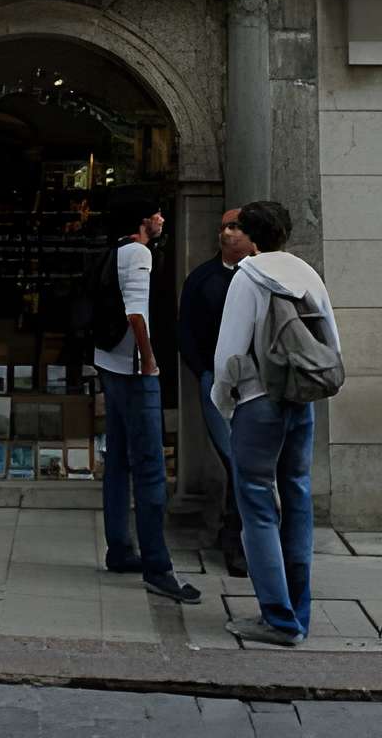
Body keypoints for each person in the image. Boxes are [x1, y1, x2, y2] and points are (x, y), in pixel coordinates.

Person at [212, 198, 341, 647]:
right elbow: (331, 341)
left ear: (249, 235)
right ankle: (299, 611)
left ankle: (277, 617)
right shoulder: (307, 274)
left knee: (257, 505)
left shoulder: (248, 277)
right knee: (298, 495)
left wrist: (223, 401)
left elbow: (230, 352)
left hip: (257, 400)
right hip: (299, 400)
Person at [94, 188, 200, 605]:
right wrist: (150, 361)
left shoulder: (113, 251)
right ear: (142, 221)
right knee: (152, 468)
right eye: (155, 213)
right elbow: (136, 313)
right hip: (136, 372)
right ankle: (159, 567)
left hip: (109, 364)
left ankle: (120, 547)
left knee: (118, 461)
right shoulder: (139, 254)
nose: (160, 219)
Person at [178, 206, 254, 576]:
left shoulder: (263, 276)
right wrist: (205, 372)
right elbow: (186, 331)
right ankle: (234, 538)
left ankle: (235, 532)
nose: (229, 233)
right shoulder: (202, 279)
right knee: (234, 460)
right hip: (216, 380)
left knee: (248, 462)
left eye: (237, 227)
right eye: (225, 226)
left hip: (258, 383)